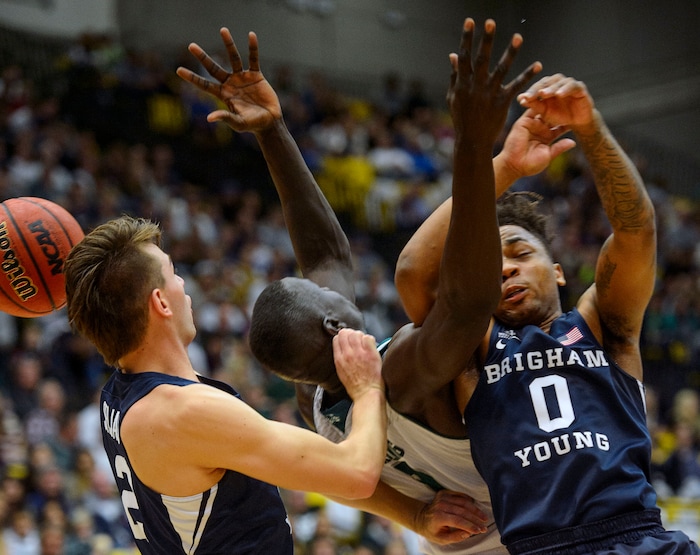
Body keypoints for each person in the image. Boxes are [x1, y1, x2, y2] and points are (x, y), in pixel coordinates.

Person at [176, 18, 544, 554]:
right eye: (327, 294)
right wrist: (474, 146)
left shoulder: (318, 408)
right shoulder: (401, 373)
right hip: (540, 536)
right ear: (333, 322)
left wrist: (273, 131)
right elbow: (467, 305)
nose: (337, 286)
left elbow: (325, 253)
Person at [394, 74, 700, 553]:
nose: (506, 271)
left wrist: (590, 129)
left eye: (519, 253)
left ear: (557, 271)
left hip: (637, 536)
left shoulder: (603, 325)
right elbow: (415, 273)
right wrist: (506, 166)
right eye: (491, 268)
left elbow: (636, 233)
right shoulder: (471, 346)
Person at [63, 216, 388, 554]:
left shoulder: (117, 399)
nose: (183, 282)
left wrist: (418, 517)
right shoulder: (184, 413)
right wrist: (368, 388)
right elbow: (357, 473)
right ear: (160, 302)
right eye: (173, 272)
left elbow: (301, 470)